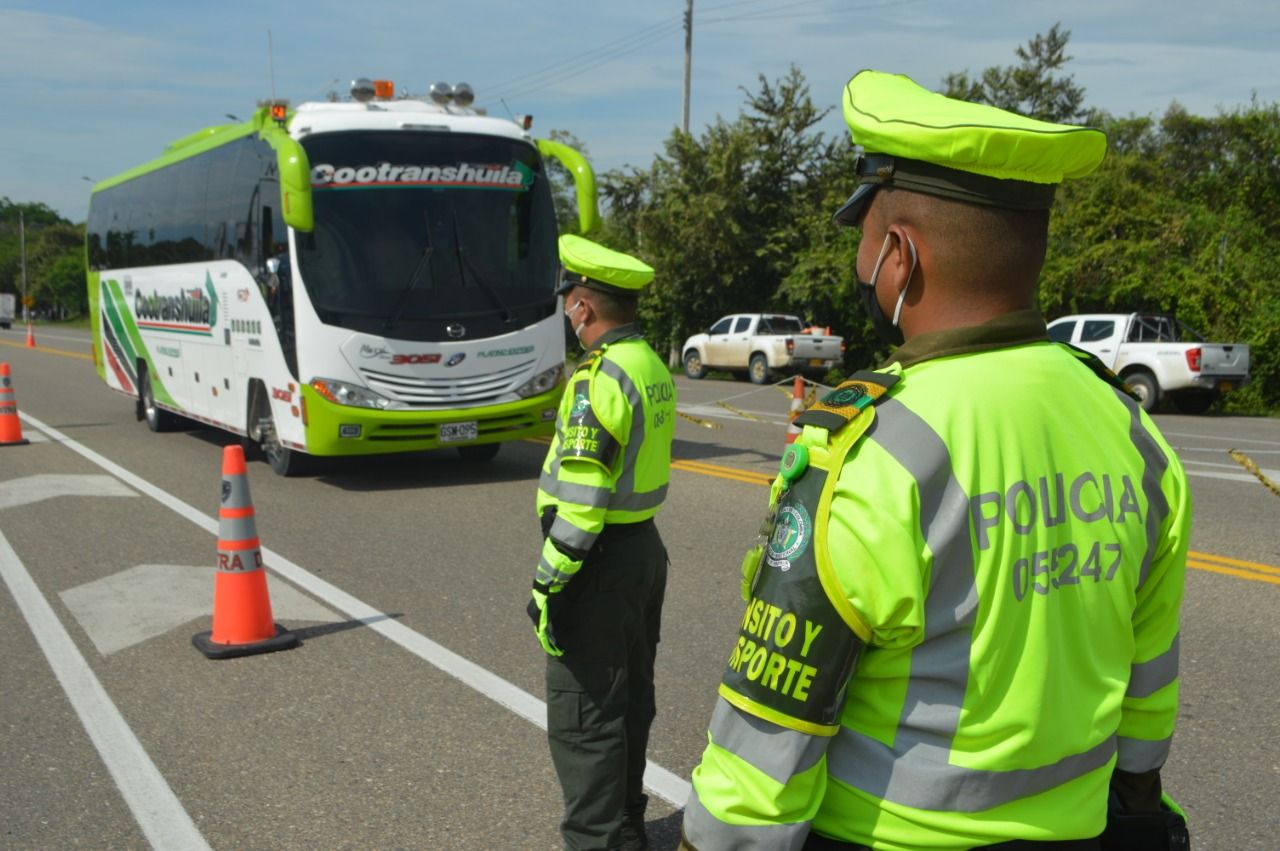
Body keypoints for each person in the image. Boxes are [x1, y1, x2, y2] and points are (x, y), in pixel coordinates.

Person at [680, 70, 1192, 850]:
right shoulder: (1135, 436)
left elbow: (765, 754)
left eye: (862, 237)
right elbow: (1149, 680)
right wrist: (1138, 801)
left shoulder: (871, 452)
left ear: (898, 255)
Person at [530, 234, 677, 851]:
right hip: (642, 549)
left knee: (586, 717)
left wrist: (547, 583)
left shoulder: (598, 379)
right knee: (629, 698)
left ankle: (597, 840)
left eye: (569, 302)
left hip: (597, 562)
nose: (568, 313)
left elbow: (584, 504)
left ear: (584, 306)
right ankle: (624, 823)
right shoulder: (648, 363)